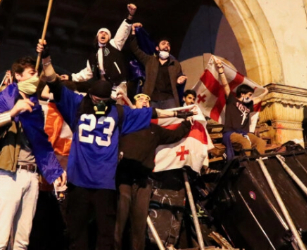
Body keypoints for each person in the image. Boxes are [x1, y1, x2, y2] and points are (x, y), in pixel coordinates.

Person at [37, 39, 194, 250]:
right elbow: (53, 82)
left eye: (103, 100)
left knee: (105, 235)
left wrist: (181, 111)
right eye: (96, 99)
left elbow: (151, 112)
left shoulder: (117, 111)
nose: (100, 104)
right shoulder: (77, 104)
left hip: (104, 184)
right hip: (80, 181)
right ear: (90, 95)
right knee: (77, 233)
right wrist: (46, 58)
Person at [0, 56, 66, 250]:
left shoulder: (35, 106)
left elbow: (41, 142)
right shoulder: (4, 98)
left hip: (31, 176)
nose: (36, 78)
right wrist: (13, 112)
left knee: (22, 242)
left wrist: (55, 171)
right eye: (32, 74)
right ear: (18, 76)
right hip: (9, 174)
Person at [114, 106, 193, 250]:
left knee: (139, 225)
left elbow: (174, 135)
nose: (143, 105)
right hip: (122, 179)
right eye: (140, 101)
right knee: (119, 222)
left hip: (143, 181)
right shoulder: (124, 126)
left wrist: (187, 123)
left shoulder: (154, 130)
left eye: (147, 103)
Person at [66, 4, 137, 100]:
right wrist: (71, 77)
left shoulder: (114, 44)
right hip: (104, 86)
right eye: (101, 32)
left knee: (119, 109)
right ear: (97, 37)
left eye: (106, 33)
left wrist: (130, 16)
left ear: (109, 37)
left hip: (118, 84)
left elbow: (123, 31)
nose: (103, 34)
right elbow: (87, 73)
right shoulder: (93, 56)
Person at [215, 57, 268, 159]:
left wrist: (265, 93)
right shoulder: (232, 100)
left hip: (245, 133)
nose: (251, 97)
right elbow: (225, 85)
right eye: (249, 95)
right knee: (245, 143)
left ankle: (258, 162)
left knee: (260, 142)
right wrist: (221, 70)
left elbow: (257, 100)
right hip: (231, 133)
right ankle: (247, 164)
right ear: (243, 94)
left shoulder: (248, 105)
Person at [129, 29, 187, 109]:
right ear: (157, 48)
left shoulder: (175, 64)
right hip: (152, 98)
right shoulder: (149, 60)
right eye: (163, 44)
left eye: (168, 45)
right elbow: (135, 49)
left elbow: (178, 78)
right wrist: (133, 32)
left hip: (169, 99)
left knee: (172, 120)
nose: (166, 46)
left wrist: (179, 80)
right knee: (152, 120)